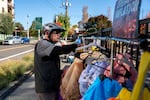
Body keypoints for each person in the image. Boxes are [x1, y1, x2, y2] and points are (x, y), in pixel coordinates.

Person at [34, 23, 79, 100]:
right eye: (56, 33)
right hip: (46, 89)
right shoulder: (42, 44)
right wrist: (75, 45)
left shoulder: (49, 45)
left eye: (59, 33)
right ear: (47, 33)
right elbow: (59, 50)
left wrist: (61, 72)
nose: (59, 35)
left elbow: (49, 66)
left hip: (52, 87)